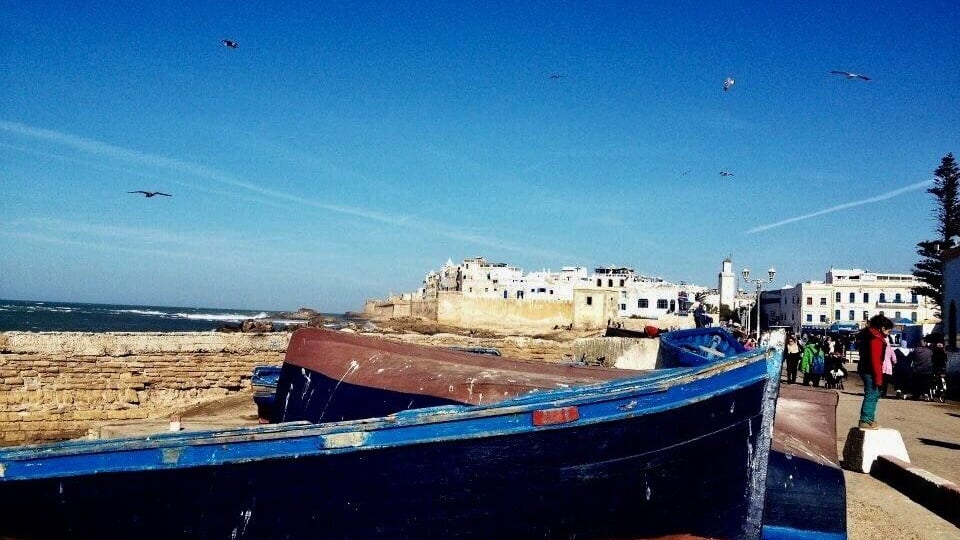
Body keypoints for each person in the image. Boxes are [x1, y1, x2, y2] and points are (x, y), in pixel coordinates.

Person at [856, 314, 893, 429]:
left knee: (873, 393)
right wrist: (879, 379)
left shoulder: (867, 334)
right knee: (872, 393)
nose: (888, 334)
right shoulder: (876, 338)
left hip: (864, 367)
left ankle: (869, 419)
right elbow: (876, 360)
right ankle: (866, 420)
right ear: (882, 328)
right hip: (870, 370)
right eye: (888, 331)